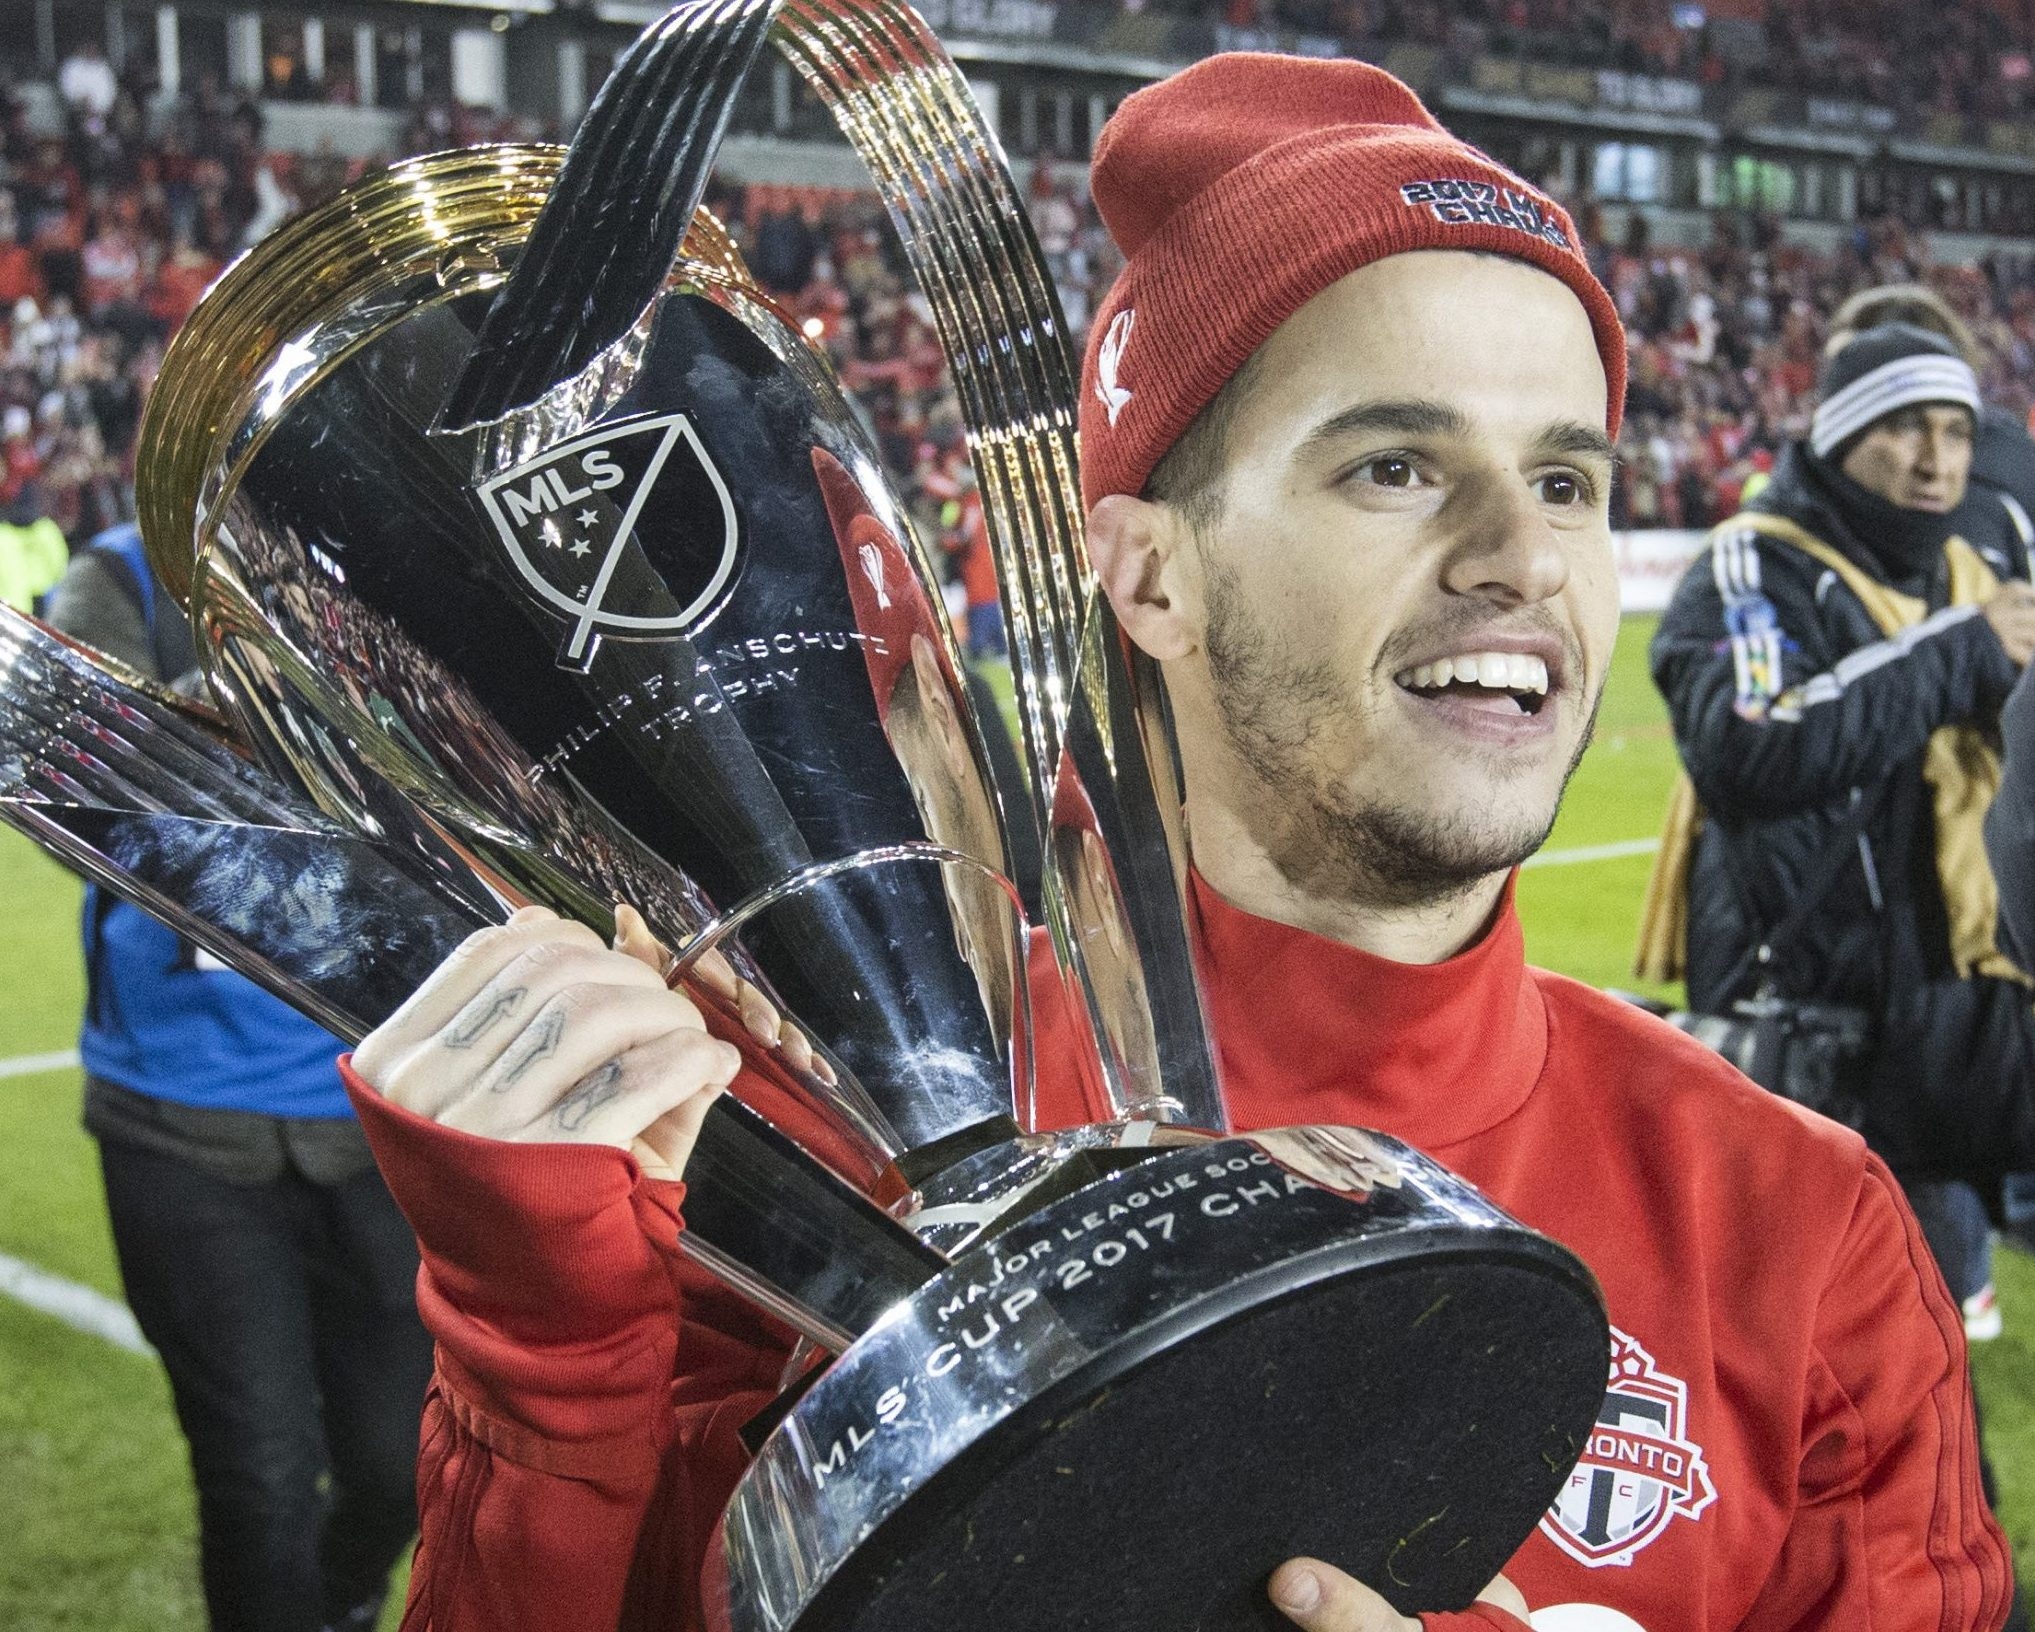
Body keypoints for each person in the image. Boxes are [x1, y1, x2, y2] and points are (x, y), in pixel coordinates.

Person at [343, 58, 2008, 1632]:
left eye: (1566, 479)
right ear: (1148, 577)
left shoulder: (1804, 1234)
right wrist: (541, 1367)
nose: (1524, 557)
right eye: (1398, 465)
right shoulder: (786, 1163)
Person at [43, 522, 434, 1632]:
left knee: (399, 1464)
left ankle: (341, 1600)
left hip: (375, 1112)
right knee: (258, 1471)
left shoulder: (372, 578)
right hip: (181, 1121)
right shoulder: (117, 579)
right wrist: (259, 677)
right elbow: (73, 793)